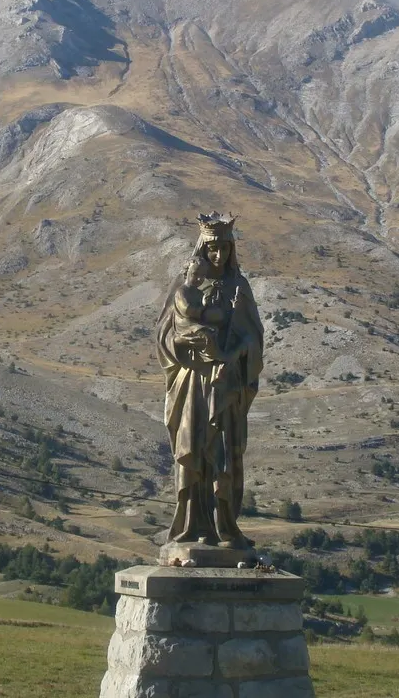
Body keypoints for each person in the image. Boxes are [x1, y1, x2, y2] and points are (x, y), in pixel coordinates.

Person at [155, 212, 263, 549]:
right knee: (194, 450)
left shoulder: (238, 288)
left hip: (225, 386)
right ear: (203, 249)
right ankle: (191, 526)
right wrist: (187, 343)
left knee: (224, 455)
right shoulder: (184, 284)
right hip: (192, 385)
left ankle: (224, 526)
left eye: (224, 250)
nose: (218, 256)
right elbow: (164, 336)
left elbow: (254, 339)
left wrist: (235, 353)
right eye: (212, 249)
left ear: (232, 250)